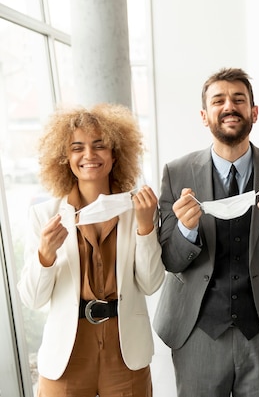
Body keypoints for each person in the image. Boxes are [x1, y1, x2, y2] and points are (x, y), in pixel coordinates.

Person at [153, 67, 259, 397]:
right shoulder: (176, 172)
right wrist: (186, 228)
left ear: (254, 111)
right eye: (218, 100)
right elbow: (169, 259)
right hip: (197, 330)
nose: (229, 106)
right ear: (204, 115)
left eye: (239, 99)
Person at [17, 103, 165, 396]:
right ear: (64, 156)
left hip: (125, 350)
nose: (89, 155)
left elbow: (151, 284)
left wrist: (146, 228)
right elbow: (32, 299)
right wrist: (45, 255)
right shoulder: (45, 216)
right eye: (77, 147)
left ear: (115, 154)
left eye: (100, 145)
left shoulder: (137, 211)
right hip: (67, 349)